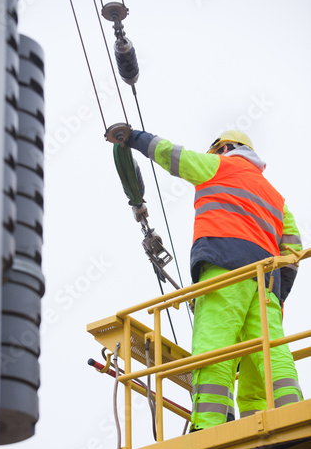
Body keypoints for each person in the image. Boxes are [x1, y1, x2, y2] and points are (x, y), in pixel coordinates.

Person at [125, 129, 303, 431]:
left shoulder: (221, 166)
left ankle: (209, 424)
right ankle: (288, 414)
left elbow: (172, 155)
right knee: (269, 351)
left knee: (215, 347)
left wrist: (133, 138)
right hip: (267, 283)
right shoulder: (276, 198)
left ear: (224, 148)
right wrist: (277, 295)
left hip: (224, 268)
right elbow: (294, 251)